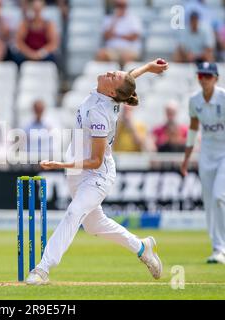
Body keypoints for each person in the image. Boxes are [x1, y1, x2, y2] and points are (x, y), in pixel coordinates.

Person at [25, 59, 169, 285]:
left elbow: (94, 161)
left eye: (114, 76)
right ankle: (142, 247)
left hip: (96, 174)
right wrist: (149, 67)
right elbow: (128, 77)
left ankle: (42, 269)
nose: (110, 72)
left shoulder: (102, 113)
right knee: (94, 224)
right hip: (78, 171)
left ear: (111, 90)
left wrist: (59, 165)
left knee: (74, 212)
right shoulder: (114, 92)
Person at [181, 62, 225, 264]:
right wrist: (186, 159)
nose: (204, 80)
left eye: (208, 76)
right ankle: (217, 249)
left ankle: (222, 247)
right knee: (209, 202)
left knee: (219, 196)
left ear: (216, 78)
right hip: (207, 153)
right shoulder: (194, 100)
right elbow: (193, 129)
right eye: (201, 76)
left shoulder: (223, 98)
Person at [96, 0, 143, 66]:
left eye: (123, 5)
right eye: (118, 5)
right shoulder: (108, 19)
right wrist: (115, 20)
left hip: (129, 49)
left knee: (126, 57)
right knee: (101, 55)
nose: (120, 8)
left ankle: (126, 75)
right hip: (112, 49)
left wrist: (116, 35)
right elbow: (106, 36)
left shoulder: (133, 18)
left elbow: (134, 37)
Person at [13, 0, 59, 65]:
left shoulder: (48, 24)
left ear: (43, 9)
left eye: (38, 9)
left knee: (52, 58)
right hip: (27, 54)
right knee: (17, 57)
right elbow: (19, 42)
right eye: (35, 9)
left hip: (43, 54)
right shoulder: (25, 24)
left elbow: (53, 43)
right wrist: (30, 53)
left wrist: (41, 53)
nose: (36, 12)